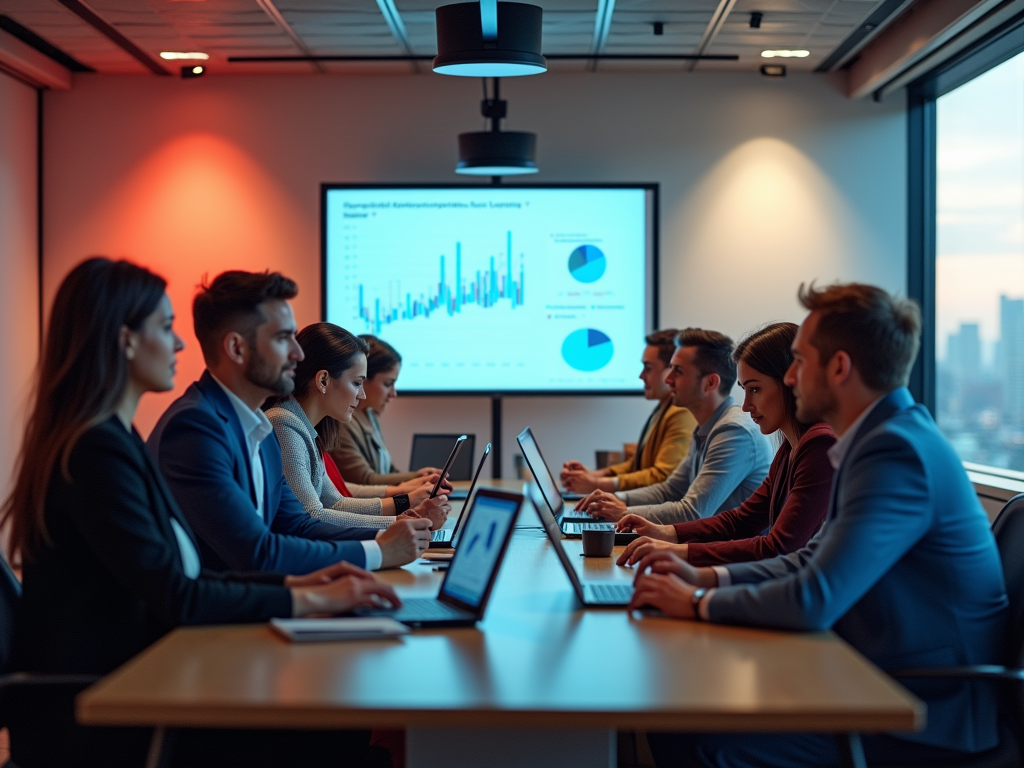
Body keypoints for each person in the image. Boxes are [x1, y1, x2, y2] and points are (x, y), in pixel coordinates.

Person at [4, 258, 401, 768]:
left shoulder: (119, 439)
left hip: (147, 674)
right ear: (125, 341)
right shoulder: (103, 451)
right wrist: (311, 599)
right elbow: (181, 590)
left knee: (345, 733)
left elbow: (201, 571)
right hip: (111, 707)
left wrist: (310, 589)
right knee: (344, 744)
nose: (179, 344)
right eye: (165, 329)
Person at [632, 284, 1009, 767]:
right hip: (881, 674)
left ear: (839, 368)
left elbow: (814, 596)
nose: (789, 377)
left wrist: (699, 602)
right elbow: (810, 559)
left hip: (921, 708)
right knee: (684, 715)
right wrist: (703, 576)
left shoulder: (894, 452)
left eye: (799, 361)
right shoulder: (880, 437)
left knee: (703, 738)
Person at [148, 270, 432, 573]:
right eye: (284, 338)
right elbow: (255, 553)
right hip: (219, 614)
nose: (298, 354)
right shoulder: (196, 428)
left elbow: (298, 524)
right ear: (236, 349)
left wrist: (390, 536)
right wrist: (379, 551)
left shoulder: (260, 428)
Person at [616, 322, 835, 567]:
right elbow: (740, 520)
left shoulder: (819, 445)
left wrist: (679, 551)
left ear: (791, 382)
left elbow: (779, 547)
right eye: (744, 390)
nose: (746, 405)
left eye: (755, 389)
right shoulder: (789, 448)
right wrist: (667, 534)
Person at [266, 323, 452, 531]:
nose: (361, 395)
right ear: (323, 380)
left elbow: (335, 502)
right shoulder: (284, 424)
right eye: (356, 383)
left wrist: (406, 507)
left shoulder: (304, 427)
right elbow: (312, 516)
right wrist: (405, 523)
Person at [577, 328, 772, 525]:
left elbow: (693, 513)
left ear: (710, 383)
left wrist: (623, 512)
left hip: (736, 554)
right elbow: (670, 490)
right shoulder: (706, 427)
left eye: (677, 371)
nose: (668, 379)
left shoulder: (734, 431)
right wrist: (617, 499)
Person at [560, 329, 697, 493]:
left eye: (648, 368)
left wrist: (597, 483)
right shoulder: (664, 407)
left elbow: (663, 476)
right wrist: (593, 475)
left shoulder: (680, 412)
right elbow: (637, 465)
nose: (641, 376)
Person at [330, 335, 439, 485]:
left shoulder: (369, 415)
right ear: (363, 378)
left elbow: (389, 471)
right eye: (388, 384)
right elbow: (364, 480)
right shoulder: (340, 421)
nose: (393, 393)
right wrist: (416, 478)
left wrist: (421, 477)